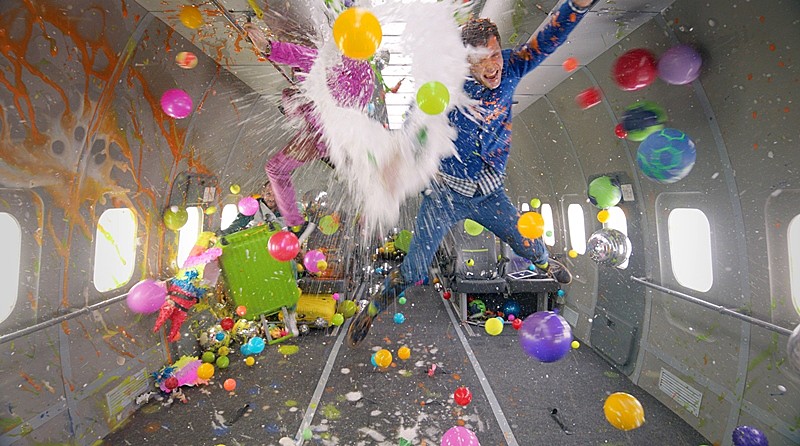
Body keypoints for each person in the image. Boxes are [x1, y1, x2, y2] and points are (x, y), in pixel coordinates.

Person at [347, 0, 598, 347]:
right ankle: (372, 309)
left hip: (489, 195)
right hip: (444, 197)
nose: (491, 67)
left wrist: (576, 6)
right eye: (480, 61)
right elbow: (407, 116)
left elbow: (547, 39)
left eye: (494, 55)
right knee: (415, 269)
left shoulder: (511, 67)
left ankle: (546, 264)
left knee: (528, 245)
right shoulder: (446, 87)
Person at [243, 22, 375, 228]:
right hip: (333, 134)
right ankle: (296, 224)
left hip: (320, 134)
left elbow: (304, 57)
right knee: (277, 166)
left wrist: (268, 47)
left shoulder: (333, 63)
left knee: (276, 169)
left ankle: (295, 224)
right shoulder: (363, 74)